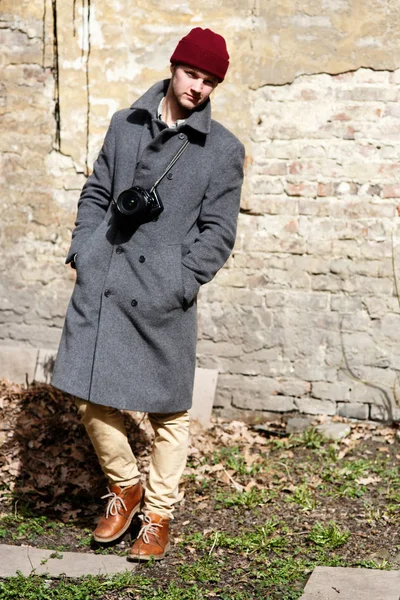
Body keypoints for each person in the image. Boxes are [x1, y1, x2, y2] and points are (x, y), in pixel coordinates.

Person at [51, 27, 245, 561]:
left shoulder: (222, 149)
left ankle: (156, 515)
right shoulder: (124, 124)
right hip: (106, 278)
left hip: (163, 295)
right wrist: (83, 250)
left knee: (169, 415)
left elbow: (219, 232)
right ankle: (125, 486)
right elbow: (96, 191)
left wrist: (180, 280)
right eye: (192, 74)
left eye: (210, 81)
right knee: (90, 395)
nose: (198, 88)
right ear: (174, 67)